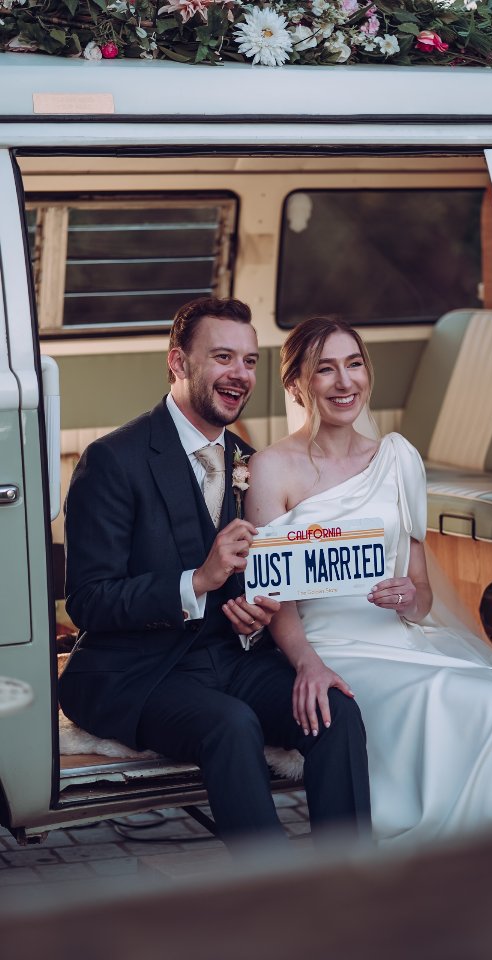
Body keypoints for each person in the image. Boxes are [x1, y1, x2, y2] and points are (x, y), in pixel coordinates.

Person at [58, 298, 371, 846]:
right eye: (223, 357)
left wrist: (254, 612)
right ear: (178, 363)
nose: (240, 374)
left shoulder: (254, 462)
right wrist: (195, 582)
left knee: (334, 712)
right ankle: (270, 897)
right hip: (134, 671)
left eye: (249, 361)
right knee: (230, 724)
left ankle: (348, 882)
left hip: (227, 659)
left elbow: (260, 578)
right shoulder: (112, 460)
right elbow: (88, 600)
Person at [245, 315, 492, 847]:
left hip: (402, 642)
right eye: (325, 370)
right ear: (296, 385)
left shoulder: (399, 459)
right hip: (334, 651)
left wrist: (408, 597)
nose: (344, 383)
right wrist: (308, 664)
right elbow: (273, 593)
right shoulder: (272, 469)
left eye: (354, 365)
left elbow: (422, 595)